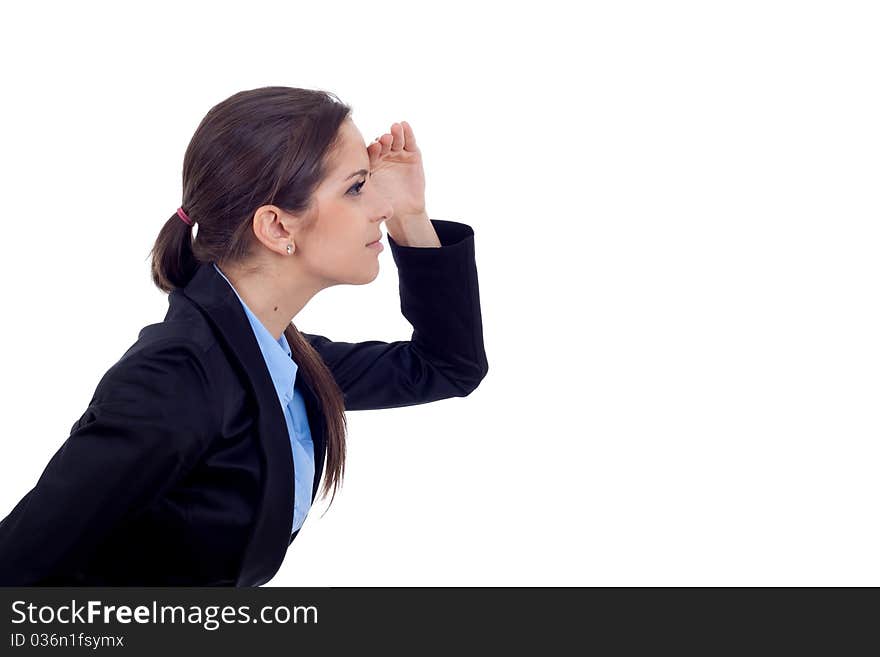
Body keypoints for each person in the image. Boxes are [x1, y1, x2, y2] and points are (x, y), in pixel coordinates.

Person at [0, 86, 488, 586]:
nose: (378, 209)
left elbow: (448, 366)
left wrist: (411, 216)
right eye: (356, 188)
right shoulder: (176, 377)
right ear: (277, 227)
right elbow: (18, 569)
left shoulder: (280, 356)